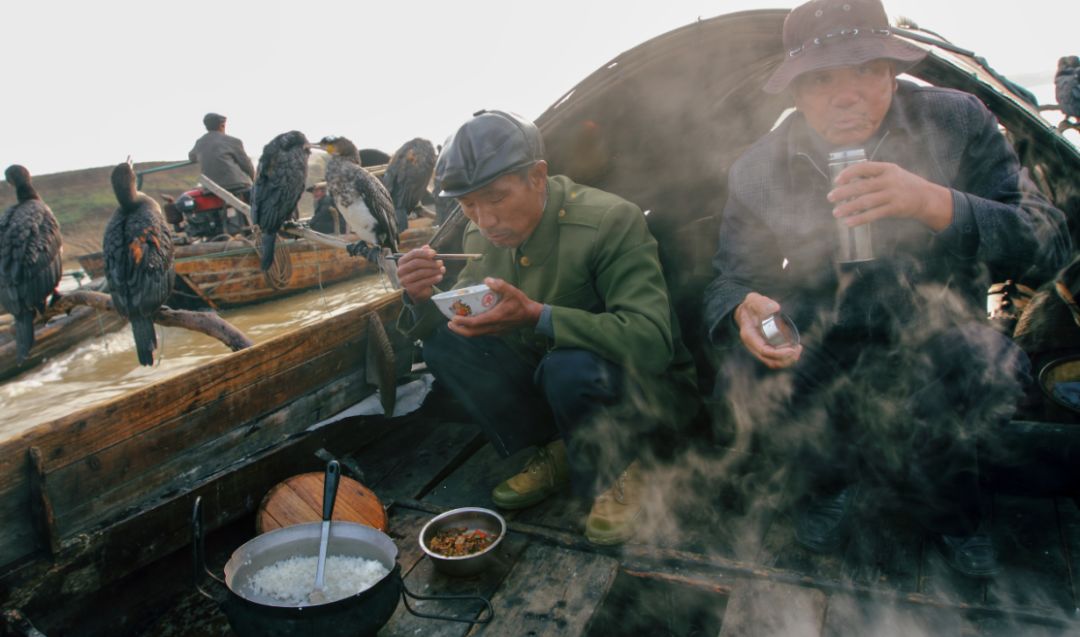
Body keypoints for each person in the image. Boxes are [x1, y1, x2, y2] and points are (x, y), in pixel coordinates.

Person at [703, 0, 1071, 577]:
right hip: (823, 327)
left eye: (866, 70)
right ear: (796, 90)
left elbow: (1048, 243)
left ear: (892, 73)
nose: (846, 95)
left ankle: (955, 512)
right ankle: (828, 482)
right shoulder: (758, 168)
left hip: (939, 323)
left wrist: (937, 204)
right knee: (747, 375)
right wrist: (739, 311)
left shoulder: (957, 121)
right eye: (822, 79)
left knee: (982, 372)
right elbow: (732, 277)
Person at [396, 110, 697, 546]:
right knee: (447, 343)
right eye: (468, 205)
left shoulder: (610, 220)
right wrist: (421, 297)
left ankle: (627, 465)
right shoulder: (480, 235)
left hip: (645, 394)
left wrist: (541, 316)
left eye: (496, 198)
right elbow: (462, 308)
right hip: (556, 388)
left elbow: (653, 343)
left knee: (567, 365)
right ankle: (558, 446)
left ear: (538, 176)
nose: (485, 220)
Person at [188, 112, 256, 203]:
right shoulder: (233, 141)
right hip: (237, 184)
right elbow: (246, 165)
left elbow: (192, 157)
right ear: (222, 125)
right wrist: (254, 180)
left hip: (211, 187)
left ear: (206, 127)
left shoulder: (200, 142)